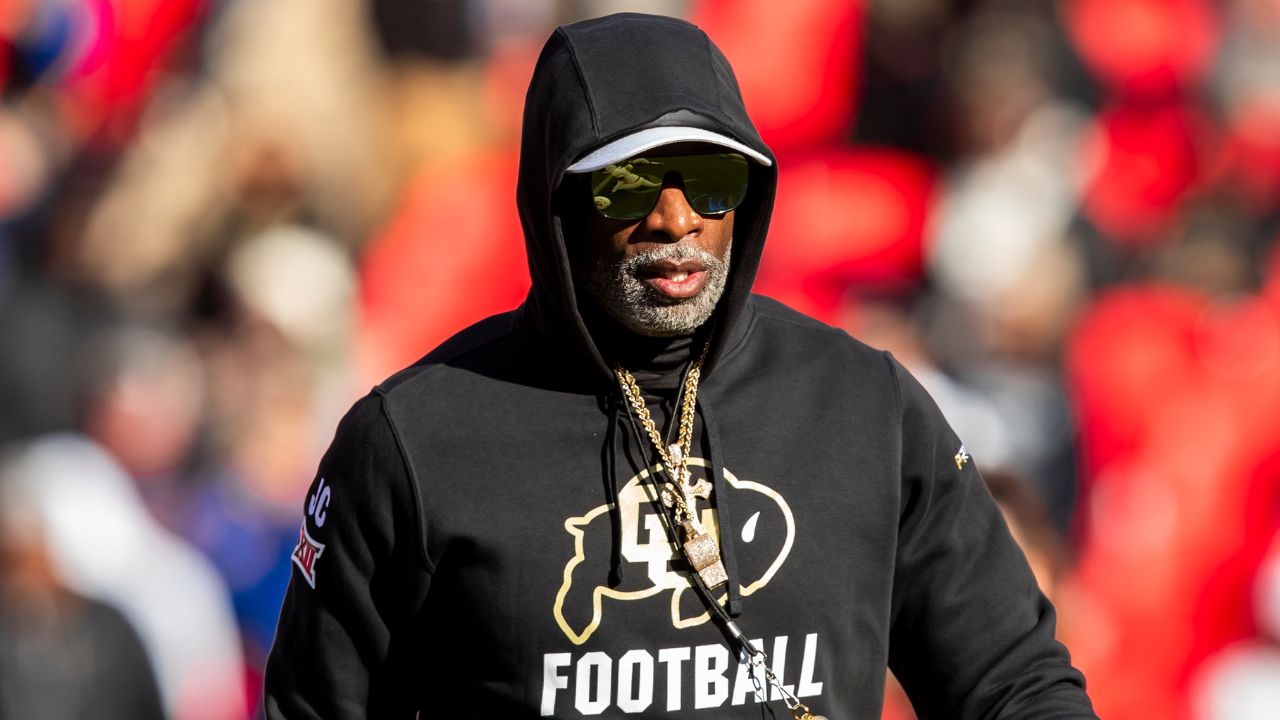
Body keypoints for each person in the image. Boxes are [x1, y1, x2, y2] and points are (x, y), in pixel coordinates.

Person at [264, 13, 1097, 719]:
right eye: (627, 184)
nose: (675, 219)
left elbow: (1014, 683)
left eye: (708, 179)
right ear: (555, 201)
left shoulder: (864, 408)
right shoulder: (414, 441)